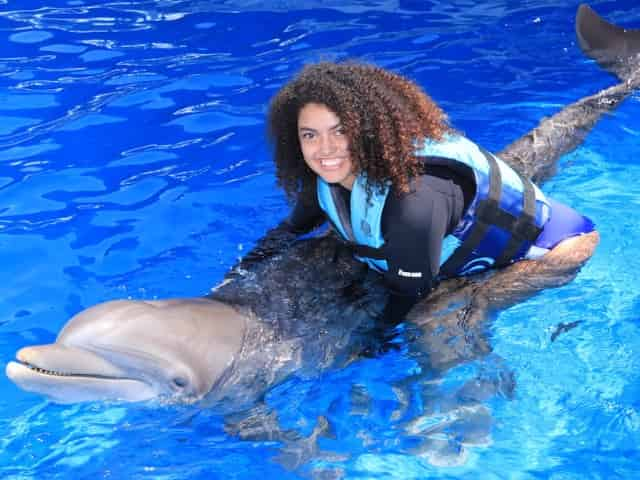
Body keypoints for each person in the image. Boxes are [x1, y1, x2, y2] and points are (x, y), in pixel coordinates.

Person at [258, 61, 597, 324]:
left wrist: (369, 348)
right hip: (472, 236)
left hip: (555, 251)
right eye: (310, 135)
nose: (325, 149)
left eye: (340, 131)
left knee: (437, 321)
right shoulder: (325, 180)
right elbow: (291, 230)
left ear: (369, 131)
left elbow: (410, 295)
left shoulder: (413, 203)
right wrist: (238, 275)